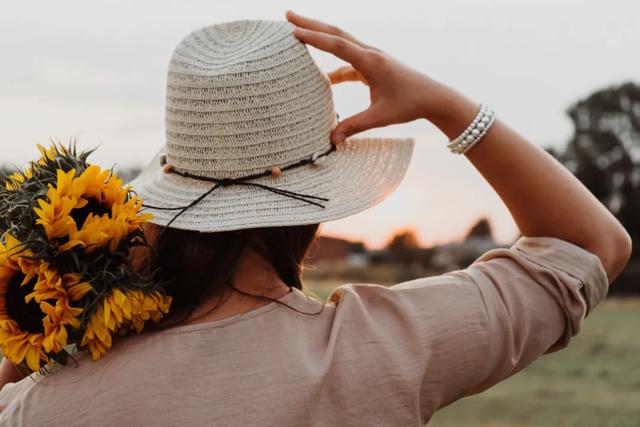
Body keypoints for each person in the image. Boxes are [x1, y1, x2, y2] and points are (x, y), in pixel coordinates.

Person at [0, 10, 631, 426]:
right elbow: (590, 243)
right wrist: (446, 105)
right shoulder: (379, 349)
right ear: (315, 209)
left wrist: (44, 323)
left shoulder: (46, 403)